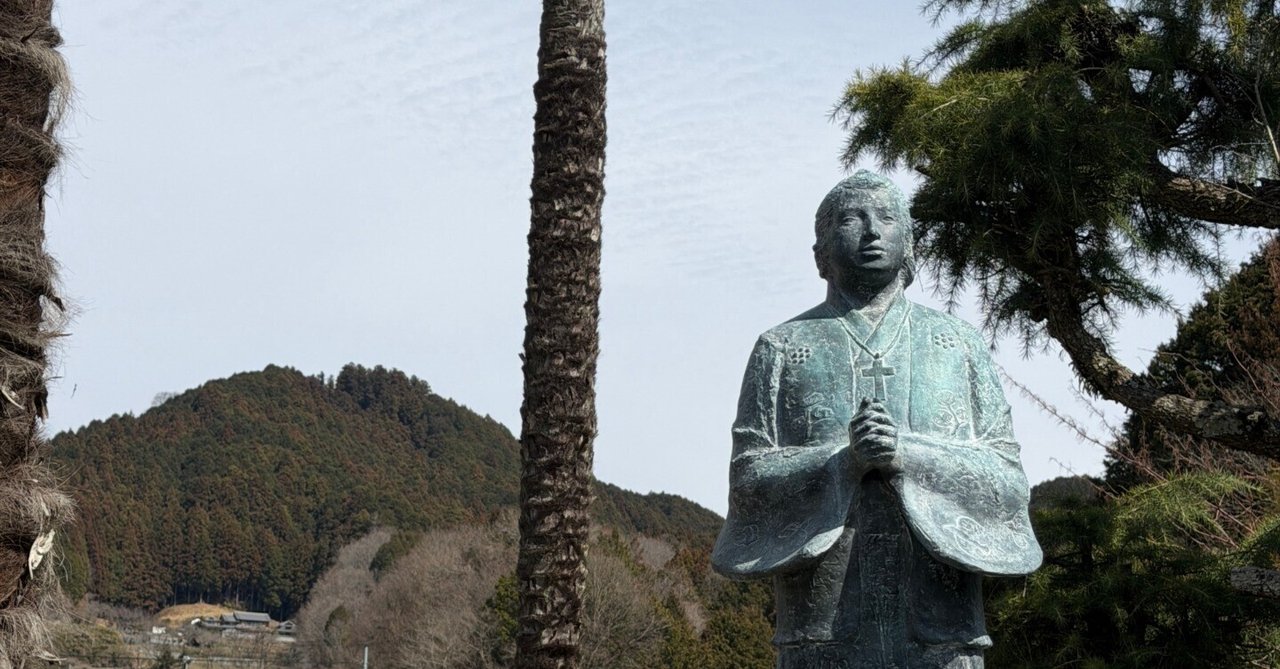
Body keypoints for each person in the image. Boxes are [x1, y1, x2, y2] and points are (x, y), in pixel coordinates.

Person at [711, 171, 1041, 669]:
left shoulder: (958, 344)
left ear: (909, 243)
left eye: (886, 217)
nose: (870, 230)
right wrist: (844, 463)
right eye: (851, 218)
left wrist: (906, 455)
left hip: (944, 630)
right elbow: (748, 483)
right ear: (820, 252)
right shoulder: (780, 348)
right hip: (819, 631)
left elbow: (1009, 484)